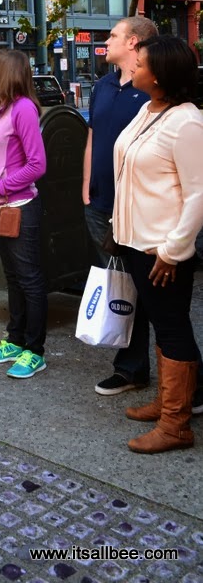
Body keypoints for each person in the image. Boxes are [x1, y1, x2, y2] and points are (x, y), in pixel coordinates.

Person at [112, 36, 203, 453]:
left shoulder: (188, 122)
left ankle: (176, 424)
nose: (134, 66)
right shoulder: (149, 110)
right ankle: (170, 403)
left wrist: (173, 251)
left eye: (141, 62)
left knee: (172, 326)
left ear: (161, 75)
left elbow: (198, 194)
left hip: (161, 252)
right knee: (161, 326)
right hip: (134, 243)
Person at [82, 16, 159, 396]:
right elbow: (93, 138)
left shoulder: (151, 90)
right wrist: (86, 185)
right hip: (100, 204)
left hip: (138, 210)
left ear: (133, 42)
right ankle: (131, 369)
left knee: (153, 294)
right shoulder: (102, 86)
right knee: (122, 287)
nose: (105, 41)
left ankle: (185, 378)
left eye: (113, 35)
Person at [0, 50, 48, 378]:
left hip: (19, 208)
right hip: (1, 207)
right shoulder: (0, 107)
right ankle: (15, 340)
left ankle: (35, 350)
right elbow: (1, 154)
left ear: (5, 71)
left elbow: (37, 164)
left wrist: (3, 184)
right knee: (13, 277)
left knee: (31, 280)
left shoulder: (23, 109)